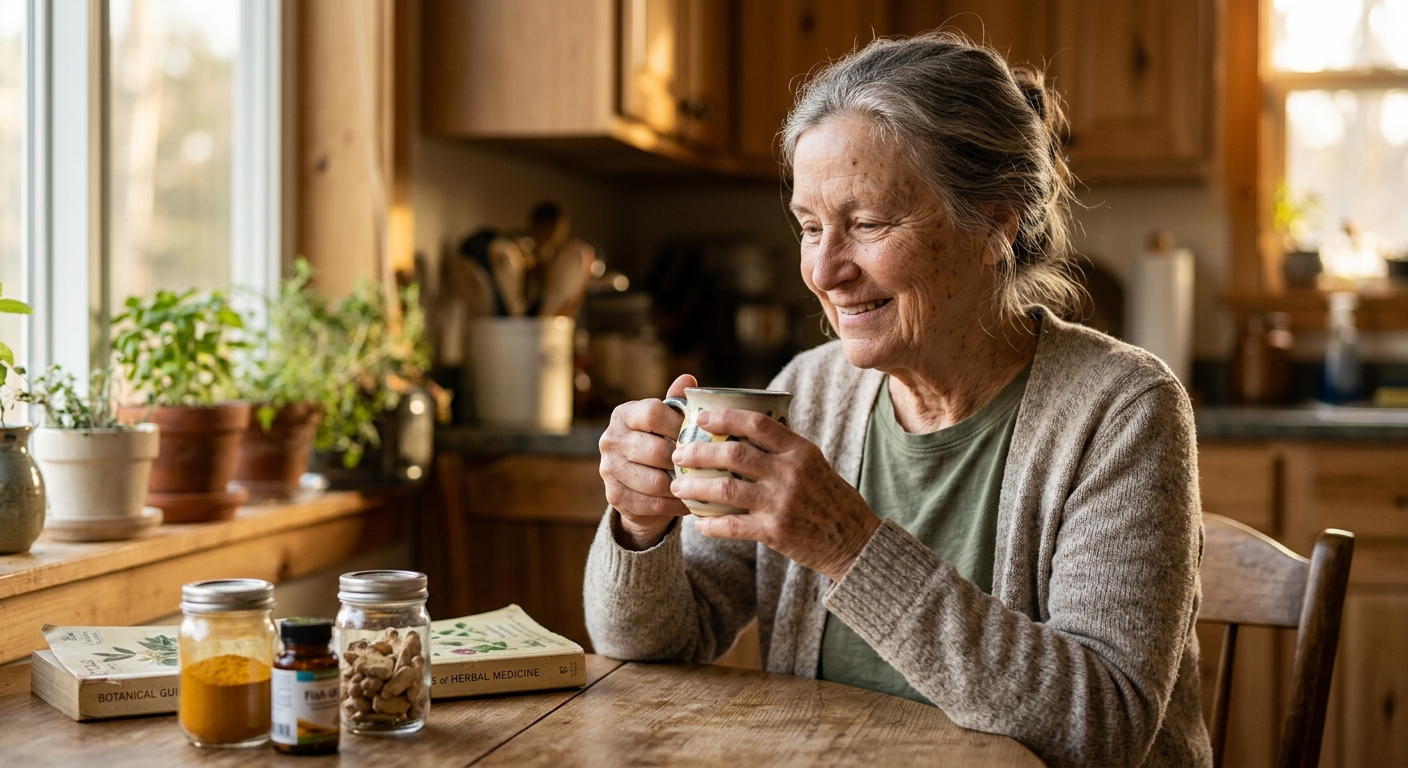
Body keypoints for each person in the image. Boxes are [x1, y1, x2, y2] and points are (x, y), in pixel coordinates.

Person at [584, 31, 1211, 768]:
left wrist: (849, 545)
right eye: (810, 227)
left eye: (869, 225)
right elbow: (656, 644)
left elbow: (1102, 728)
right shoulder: (808, 391)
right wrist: (640, 526)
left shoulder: (1123, 410)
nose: (823, 270)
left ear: (994, 226)